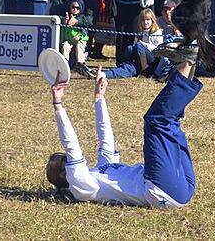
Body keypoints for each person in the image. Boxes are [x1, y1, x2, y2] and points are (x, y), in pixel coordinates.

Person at [46, 58, 202, 208]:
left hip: (179, 185)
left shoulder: (100, 171)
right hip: (162, 191)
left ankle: (193, 53)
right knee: (156, 121)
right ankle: (188, 56)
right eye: (64, 160)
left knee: (172, 121)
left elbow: (106, 138)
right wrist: (57, 104)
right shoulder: (81, 186)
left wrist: (99, 97)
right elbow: (71, 145)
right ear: (63, 175)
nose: (68, 158)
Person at [102, 8, 164, 79]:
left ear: (152, 20)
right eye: (143, 20)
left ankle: (145, 70)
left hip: (152, 59)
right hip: (140, 59)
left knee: (139, 45)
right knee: (129, 49)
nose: (145, 22)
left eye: (147, 19)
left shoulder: (157, 32)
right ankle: (104, 74)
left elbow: (158, 49)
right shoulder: (141, 32)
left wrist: (143, 45)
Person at [60, 0, 95, 78]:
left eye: (77, 8)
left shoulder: (82, 18)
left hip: (79, 39)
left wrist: (76, 22)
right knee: (65, 46)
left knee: (80, 47)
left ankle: (81, 63)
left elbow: (88, 23)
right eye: (73, 7)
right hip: (68, 39)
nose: (75, 9)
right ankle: (65, 63)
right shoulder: (66, 17)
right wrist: (64, 21)